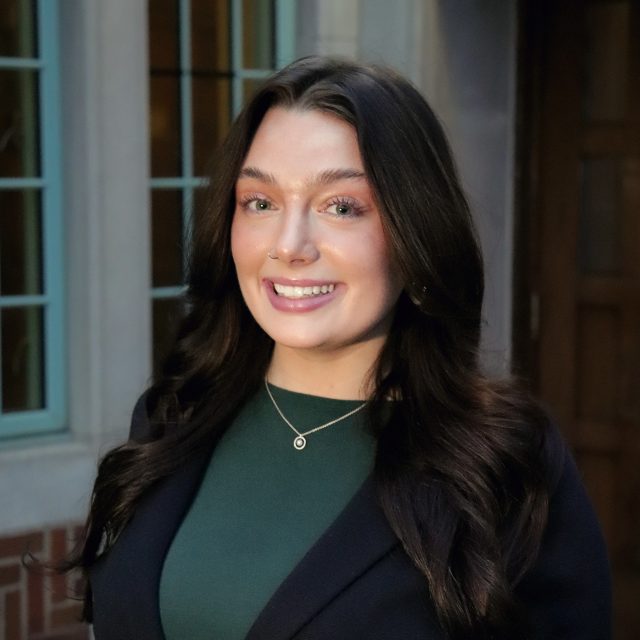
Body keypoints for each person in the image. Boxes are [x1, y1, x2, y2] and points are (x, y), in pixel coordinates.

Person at [66, 56, 611, 639]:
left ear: (416, 229)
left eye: (342, 206)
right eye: (260, 202)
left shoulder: (504, 462)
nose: (290, 245)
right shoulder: (171, 418)